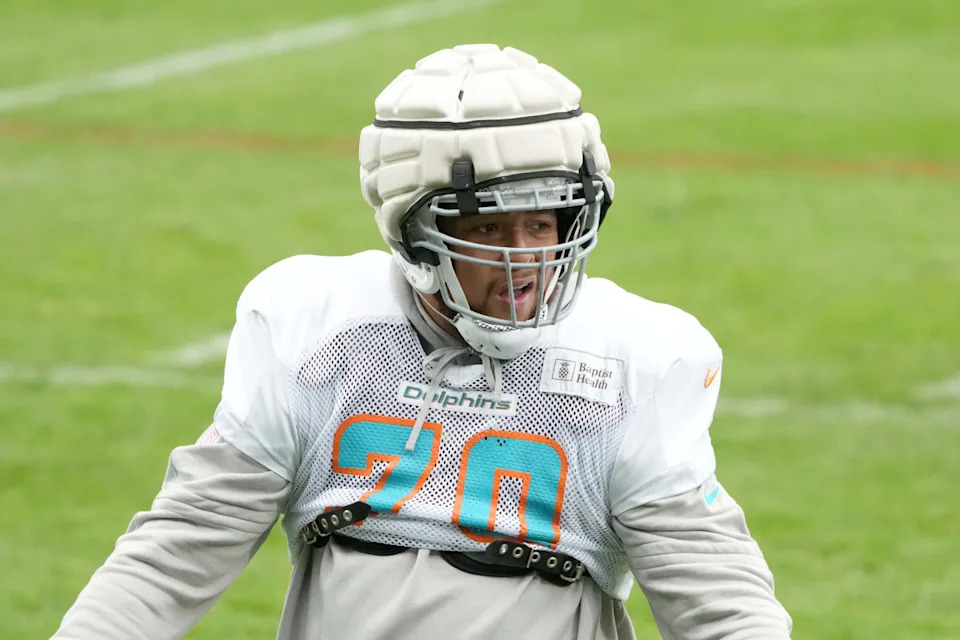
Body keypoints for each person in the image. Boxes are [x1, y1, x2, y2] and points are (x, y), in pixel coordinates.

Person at [53, 44, 793, 640]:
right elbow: (182, 545)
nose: (526, 257)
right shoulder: (321, 333)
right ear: (414, 232)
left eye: (545, 224)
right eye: (487, 230)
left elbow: (715, 593)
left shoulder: (633, 358)